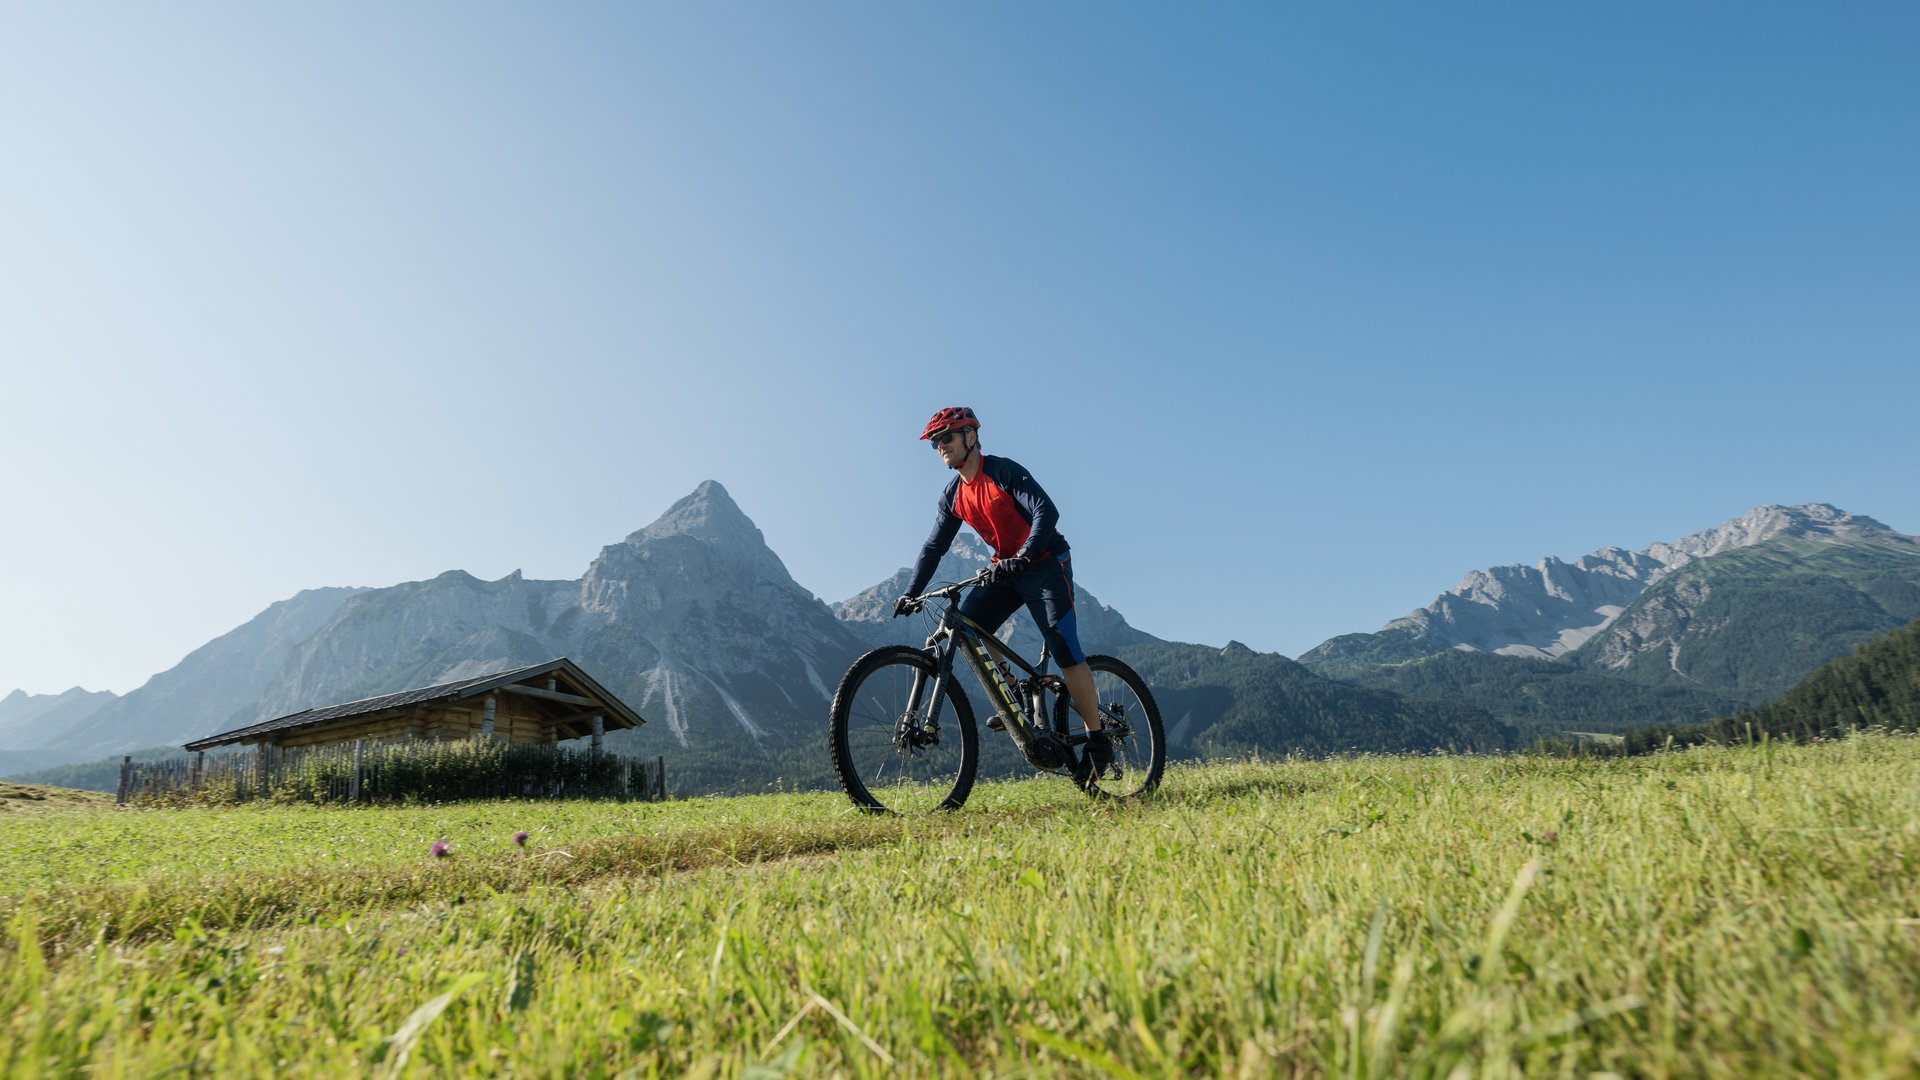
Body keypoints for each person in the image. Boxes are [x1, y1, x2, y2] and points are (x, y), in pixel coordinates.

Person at [894, 406, 1116, 781]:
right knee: (971, 625)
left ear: (970, 436)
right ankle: (1014, 692)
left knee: (1064, 646)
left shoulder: (1002, 471)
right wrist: (911, 593)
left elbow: (1046, 511)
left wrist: (1027, 553)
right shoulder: (953, 495)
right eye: (934, 443)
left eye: (946, 437)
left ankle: (1097, 739)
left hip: (1044, 561)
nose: (940, 446)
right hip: (1006, 569)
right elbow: (934, 548)